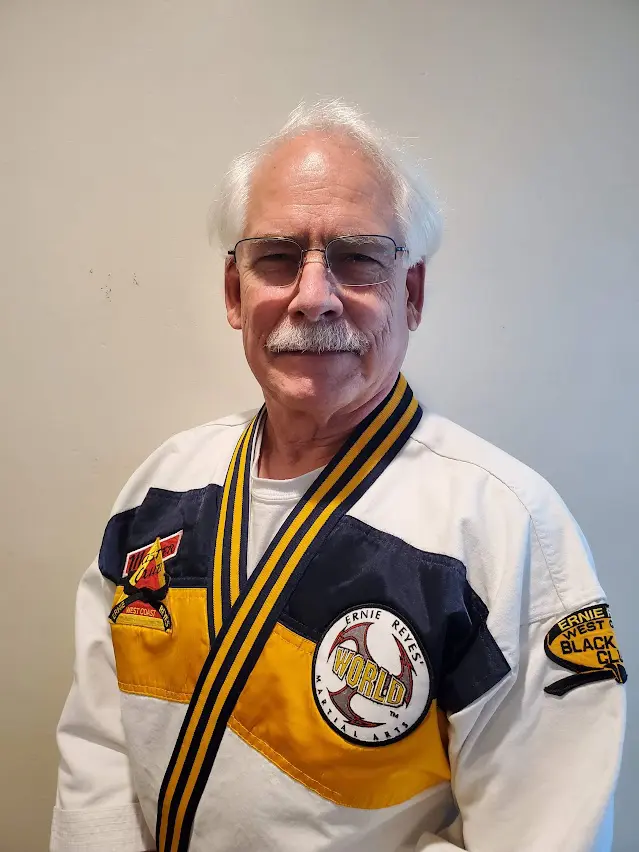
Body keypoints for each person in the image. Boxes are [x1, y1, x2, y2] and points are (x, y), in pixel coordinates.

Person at [51, 100, 626, 852]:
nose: (313, 295)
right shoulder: (162, 489)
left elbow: (546, 834)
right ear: (235, 293)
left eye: (357, 257)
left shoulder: (506, 529)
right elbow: (98, 745)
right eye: (278, 257)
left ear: (410, 293)